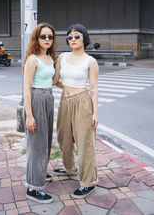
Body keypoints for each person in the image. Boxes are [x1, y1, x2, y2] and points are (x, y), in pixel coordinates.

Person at [53, 23, 99, 198]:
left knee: (85, 143)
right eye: (70, 36)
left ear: (84, 38)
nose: (72, 39)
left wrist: (95, 112)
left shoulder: (90, 61)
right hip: (65, 101)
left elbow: (93, 88)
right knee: (64, 137)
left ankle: (88, 182)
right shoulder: (62, 58)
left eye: (76, 36)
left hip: (83, 102)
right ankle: (69, 167)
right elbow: (55, 80)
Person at [23, 22, 56, 204]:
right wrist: (29, 115)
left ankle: (40, 173)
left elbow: (53, 80)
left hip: (48, 99)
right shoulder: (32, 59)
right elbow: (26, 88)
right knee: (37, 145)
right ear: (36, 38)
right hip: (36, 99)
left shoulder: (49, 58)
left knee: (45, 142)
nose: (47, 40)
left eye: (50, 37)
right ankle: (33, 189)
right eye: (43, 36)